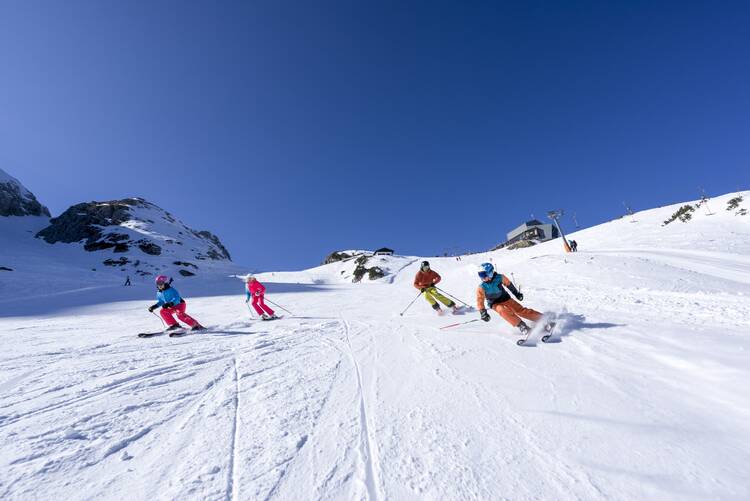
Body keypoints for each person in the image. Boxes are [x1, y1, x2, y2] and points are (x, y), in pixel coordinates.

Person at [475, 262, 550, 334]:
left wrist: (517, 294)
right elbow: (480, 300)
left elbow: (509, 285)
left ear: (490, 273)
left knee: (519, 310)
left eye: (483, 274)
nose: (482, 277)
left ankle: (542, 319)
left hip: (505, 298)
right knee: (502, 310)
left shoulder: (500, 277)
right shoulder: (481, 287)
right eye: (480, 275)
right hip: (494, 303)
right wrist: (483, 312)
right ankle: (522, 326)